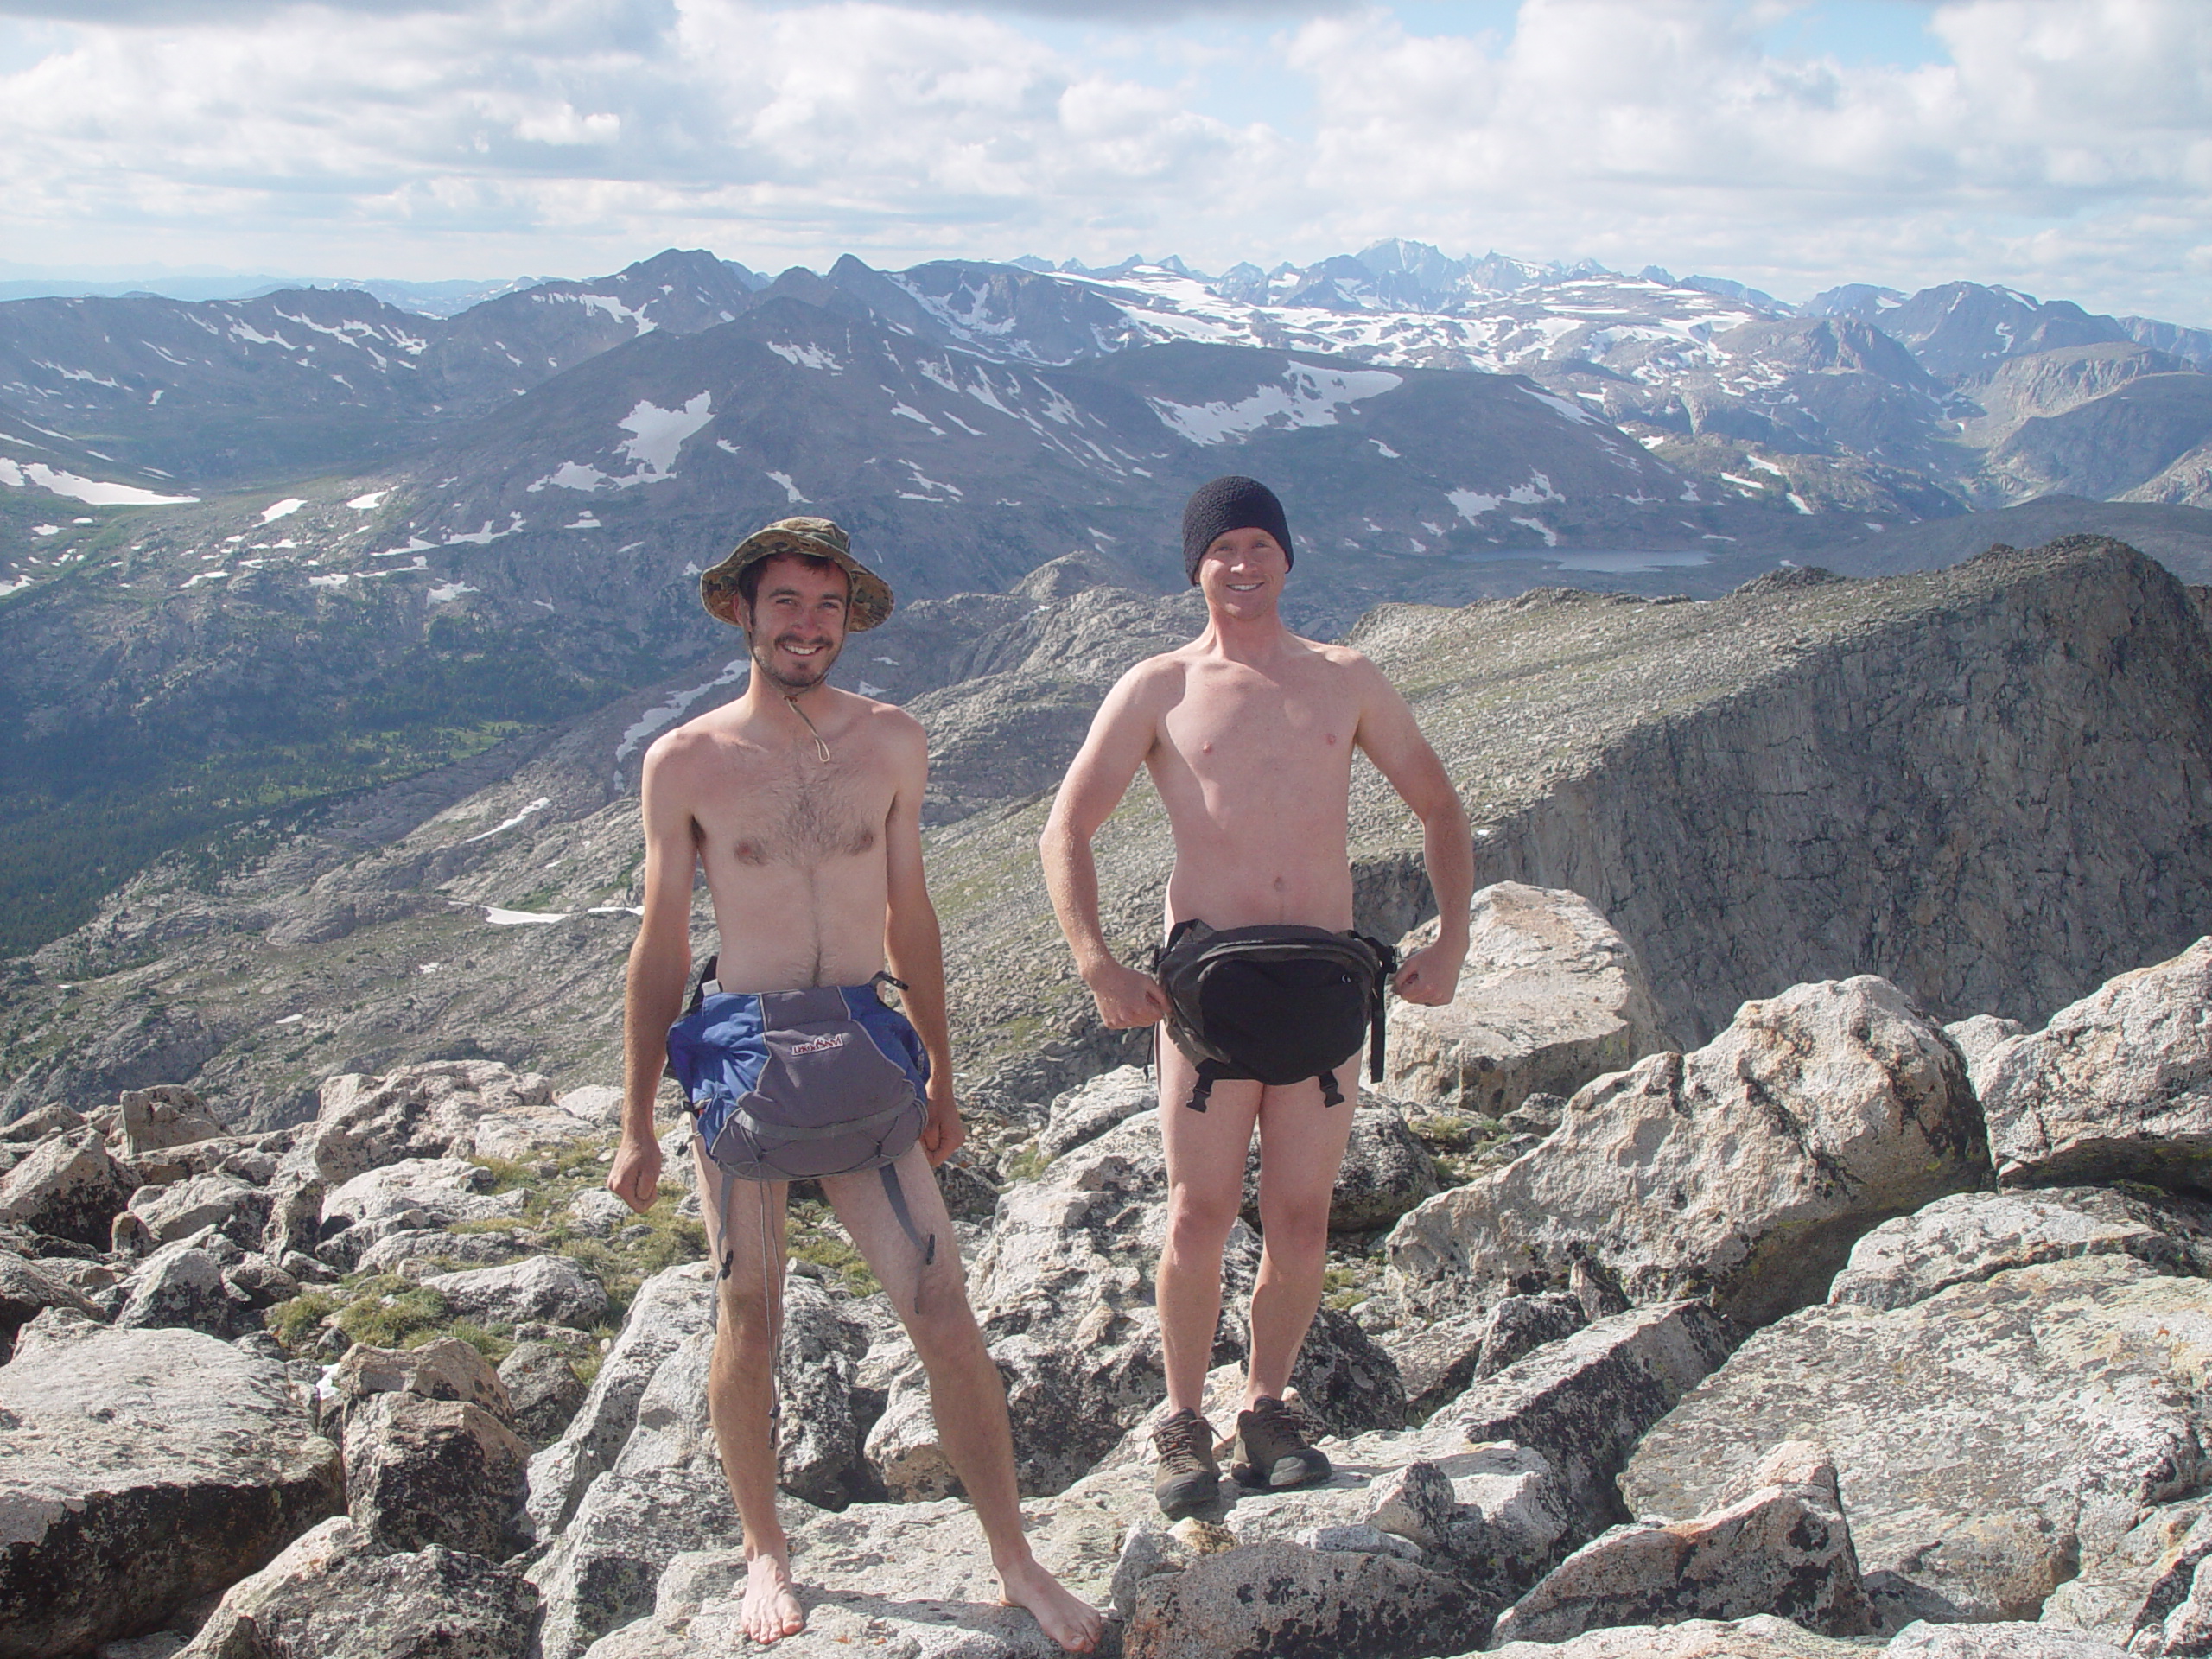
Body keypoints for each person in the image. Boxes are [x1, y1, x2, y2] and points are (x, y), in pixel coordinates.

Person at [607, 517, 1103, 1652]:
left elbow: (911, 913)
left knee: (942, 1309)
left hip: (869, 1046)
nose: (807, 626)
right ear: (743, 610)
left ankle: (1016, 1559)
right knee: (751, 1313)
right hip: (741, 1045)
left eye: (826, 607)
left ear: (849, 618)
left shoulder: (892, 742)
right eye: (785, 602)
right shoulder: (685, 762)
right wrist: (636, 1120)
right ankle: (764, 1550)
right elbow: (662, 946)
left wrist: (942, 1071)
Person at [1040, 475, 1473, 1519]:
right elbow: (1065, 830)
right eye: (1221, 548)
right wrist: (1095, 958)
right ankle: (1183, 1420)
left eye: (1258, 545)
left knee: (1301, 1213)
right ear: (1195, 566)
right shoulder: (1158, 688)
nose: (1242, 565)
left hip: (1323, 982)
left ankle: (1267, 1407)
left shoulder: (1347, 679)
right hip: (1206, 993)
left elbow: (1441, 807)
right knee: (1198, 1212)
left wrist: (1452, 940)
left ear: (1287, 556)